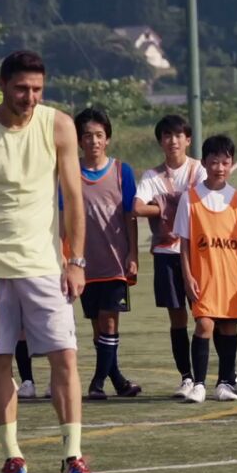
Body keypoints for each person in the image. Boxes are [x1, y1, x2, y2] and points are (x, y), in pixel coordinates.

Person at [0, 50, 96, 473]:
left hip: (45, 266)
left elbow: (74, 197)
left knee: (65, 359)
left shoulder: (58, 125)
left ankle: (72, 459)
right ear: (1, 83)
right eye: (21, 88)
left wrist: (75, 260)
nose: (29, 97)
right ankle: (12, 458)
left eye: (37, 89)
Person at [173, 135, 237, 403]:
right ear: (205, 163)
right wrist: (187, 277)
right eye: (214, 162)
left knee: (229, 327)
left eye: (225, 162)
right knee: (204, 325)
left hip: (233, 278)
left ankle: (224, 383)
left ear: (231, 163)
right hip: (204, 278)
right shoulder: (191, 198)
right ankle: (199, 384)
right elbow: (184, 245)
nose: (220, 167)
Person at [70, 107, 141, 400]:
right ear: (79, 140)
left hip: (115, 261)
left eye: (99, 135)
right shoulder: (70, 172)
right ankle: (119, 381)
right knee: (98, 327)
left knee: (110, 322)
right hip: (84, 264)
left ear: (108, 139)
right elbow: (65, 216)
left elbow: (130, 216)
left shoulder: (122, 171)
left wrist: (133, 254)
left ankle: (97, 383)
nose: (94, 141)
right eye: (87, 136)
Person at [135, 114, 204, 398]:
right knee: (178, 320)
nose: (173, 141)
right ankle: (187, 377)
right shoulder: (151, 176)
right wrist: (170, 205)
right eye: (167, 136)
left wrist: (162, 202)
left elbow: (202, 203)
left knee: (207, 316)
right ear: (160, 141)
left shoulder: (198, 170)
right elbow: (137, 208)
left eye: (178, 135)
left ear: (188, 139)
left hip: (199, 253)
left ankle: (224, 376)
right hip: (166, 253)